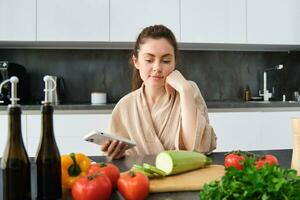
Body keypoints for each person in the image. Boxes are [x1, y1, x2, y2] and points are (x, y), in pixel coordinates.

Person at [101, 25, 216, 159]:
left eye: (166, 61)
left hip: (185, 179)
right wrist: (115, 155)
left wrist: (185, 90)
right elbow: (118, 161)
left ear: (174, 62)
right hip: (140, 179)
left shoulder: (189, 91)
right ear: (136, 61)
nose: (157, 68)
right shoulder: (124, 106)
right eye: (149, 60)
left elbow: (197, 150)